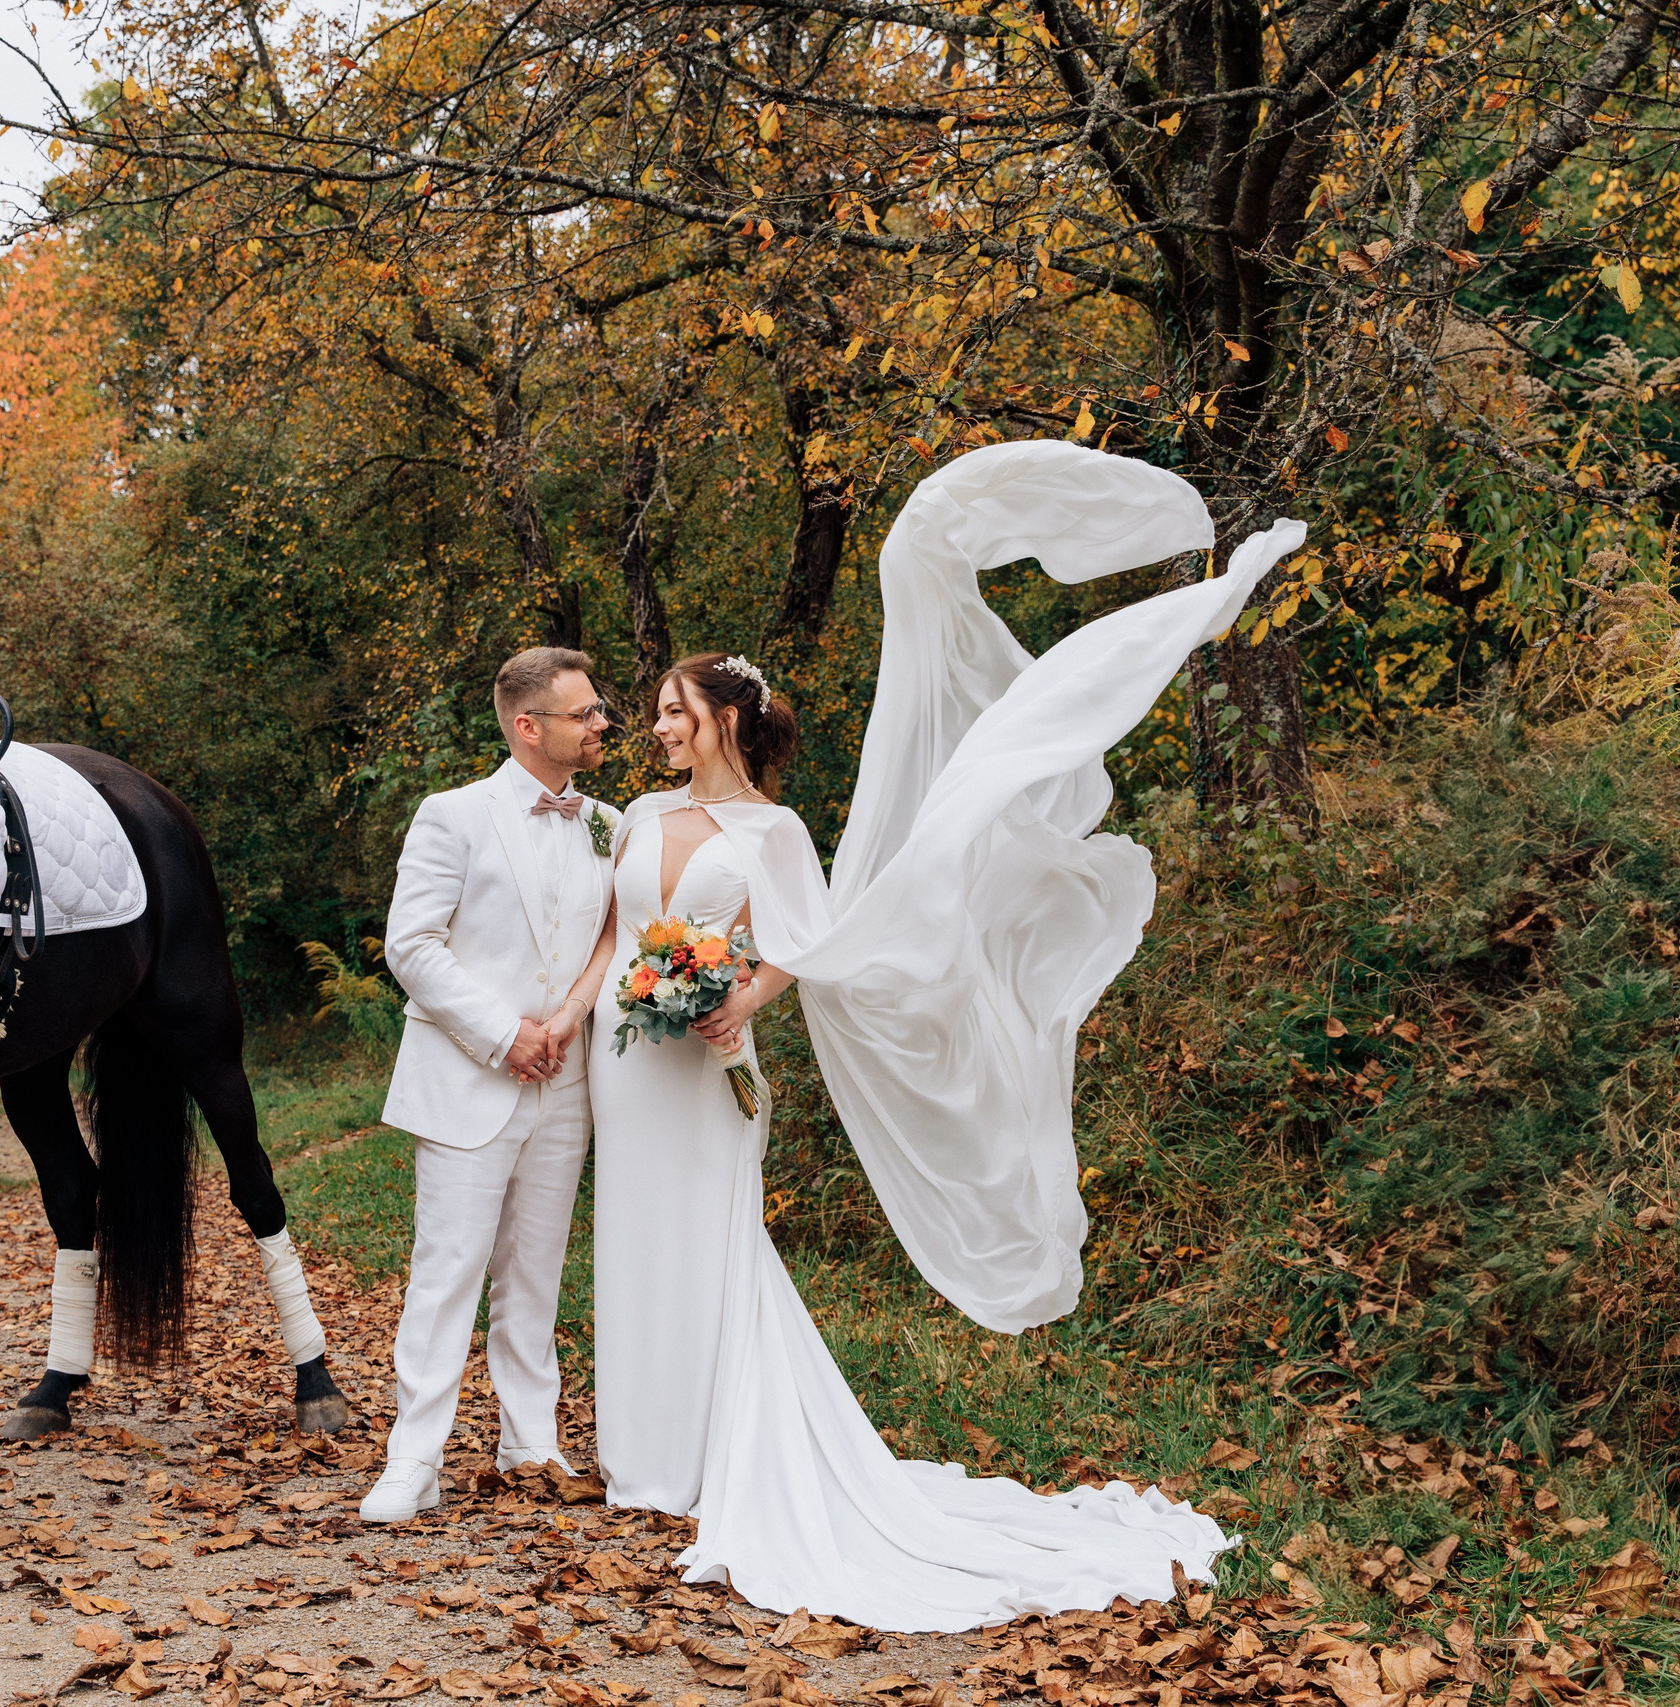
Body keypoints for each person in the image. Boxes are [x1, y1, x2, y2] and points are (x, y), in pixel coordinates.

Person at [546, 439, 1307, 1630]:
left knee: (710, 1240)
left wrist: (738, 1001)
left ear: (725, 719)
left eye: (672, 714)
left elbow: (802, 947)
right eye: (653, 717)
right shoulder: (637, 815)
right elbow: (610, 933)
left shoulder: (776, 834)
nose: (656, 731)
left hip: (710, 1069)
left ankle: (709, 1455)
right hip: (622, 1060)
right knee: (632, 1238)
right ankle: (642, 1458)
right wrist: (574, 1012)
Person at [360, 646, 618, 1523]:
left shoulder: (606, 823)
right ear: (528, 726)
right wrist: (506, 1034)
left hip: (566, 1084)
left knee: (535, 1273)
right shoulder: (453, 814)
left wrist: (568, 1019)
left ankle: (531, 1442)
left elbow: (609, 938)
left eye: (598, 709)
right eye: (585, 713)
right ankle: (414, 1458)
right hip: (468, 1076)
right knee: (448, 1271)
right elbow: (411, 945)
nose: (601, 723)